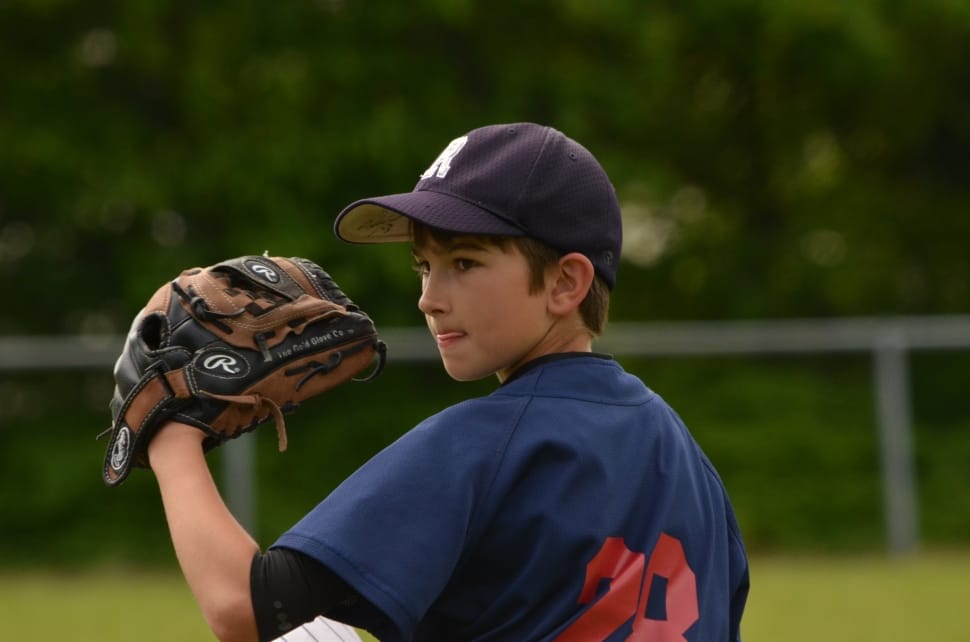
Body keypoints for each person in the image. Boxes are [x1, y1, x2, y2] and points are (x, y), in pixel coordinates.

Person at [147, 122, 750, 641]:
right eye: (424, 266)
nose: (430, 299)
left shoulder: (486, 441)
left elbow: (243, 608)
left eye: (464, 263)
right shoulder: (687, 459)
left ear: (566, 284)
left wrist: (171, 434)